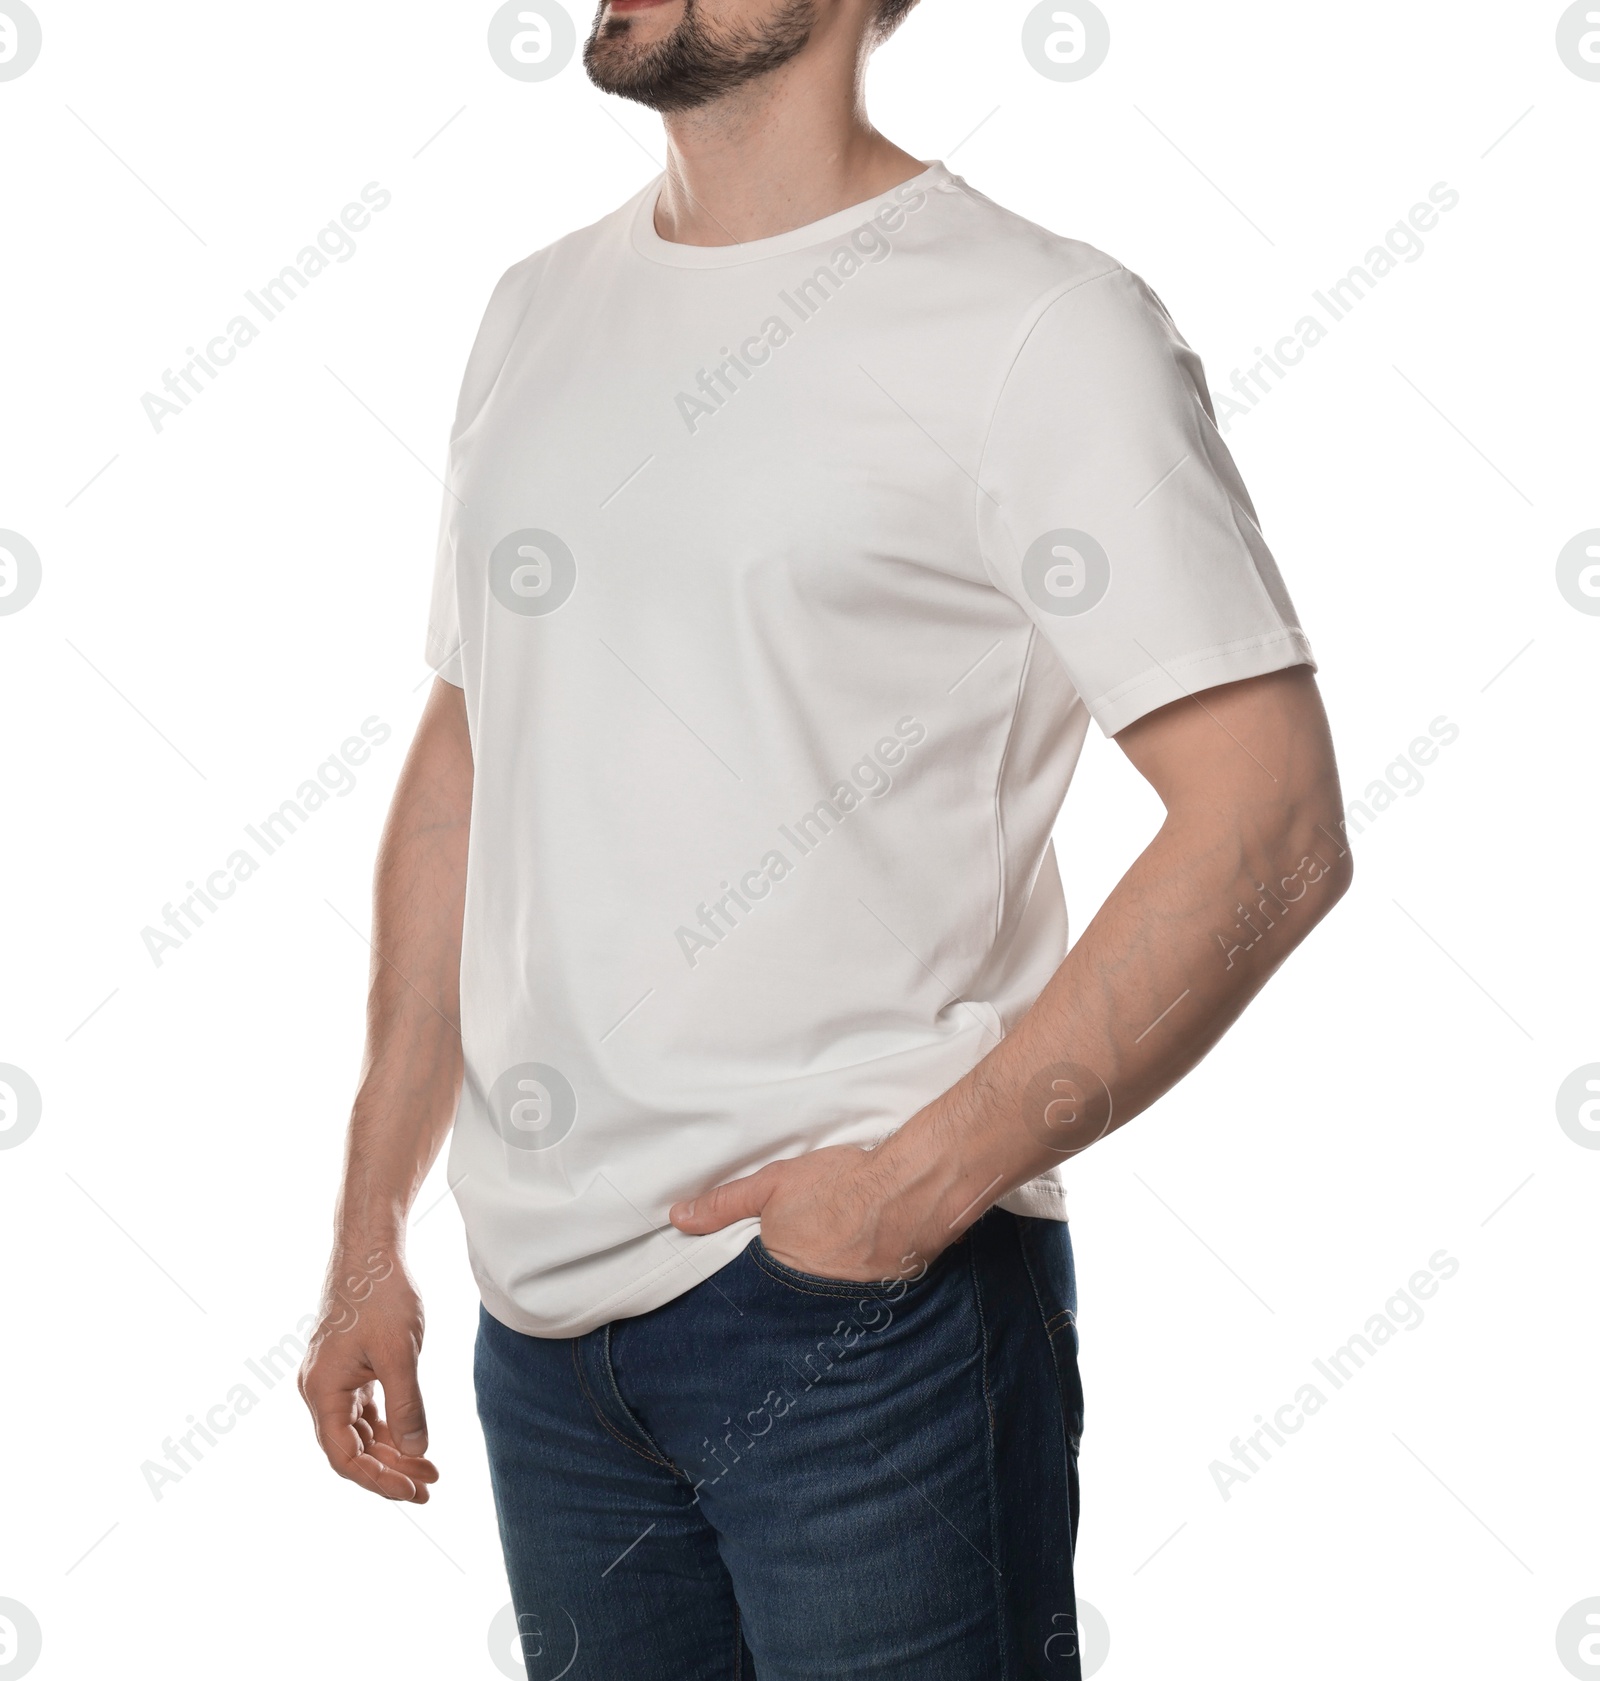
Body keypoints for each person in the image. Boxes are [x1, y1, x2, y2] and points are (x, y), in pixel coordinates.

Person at [299, 1, 1351, 1674]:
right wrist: (370, 1235)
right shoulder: (533, 312)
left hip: (864, 1322)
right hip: (545, 1335)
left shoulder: (1038, 326)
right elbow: (465, 769)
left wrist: (901, 1194)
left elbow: (1272, 821)